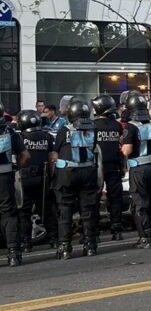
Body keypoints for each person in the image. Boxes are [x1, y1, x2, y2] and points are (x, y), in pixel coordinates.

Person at [51, 100, 99, 259]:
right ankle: (90, 245)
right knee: (88, 210)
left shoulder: (64, 130)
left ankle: (65, 246)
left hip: (67, 173)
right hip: (88, 172)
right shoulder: (94, 130)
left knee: (65, 210)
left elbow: (54, 153)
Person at [122, 93, 151, 248]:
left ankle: (145, 237)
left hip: (138, 170)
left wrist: (122, 145)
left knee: (140, 204)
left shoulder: (131, 127)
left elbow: (127, 151)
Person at [16, 110, 56, 253]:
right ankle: (54, 239)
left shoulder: (20, 137)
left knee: (24, 213)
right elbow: (52, 159)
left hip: (24, 178)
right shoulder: (47, 137)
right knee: (46, 210)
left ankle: (26, 243)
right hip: (42, 178)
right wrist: (52, 178)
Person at [91, 95, 126, 240]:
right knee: (115, 199)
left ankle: (94, 232)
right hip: (114, 166)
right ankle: (116, 229)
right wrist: (123, 166)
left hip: (97, 167)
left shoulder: (92, 126)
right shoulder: (116, 125)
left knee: (94, 199)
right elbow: (121, 146)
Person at [0, 102, 29, 266]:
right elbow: (25, 156)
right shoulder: (9, 132)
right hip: (5, 177)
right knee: (8, 213)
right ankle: (13, 254)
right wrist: (16, 167)